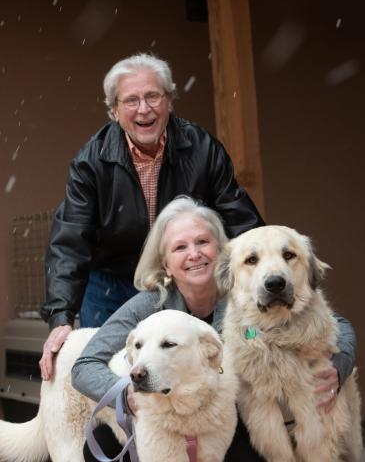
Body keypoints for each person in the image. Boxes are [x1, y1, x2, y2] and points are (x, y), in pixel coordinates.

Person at [71, 196, 356, 462]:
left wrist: (339, 364)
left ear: (220, 251)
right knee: (103, 447)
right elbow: (84, 365)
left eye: (202, 243)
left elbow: (334, 322)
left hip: (227, 427)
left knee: (249, 443)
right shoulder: (147, 307)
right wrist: (125, 391)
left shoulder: (242, 289)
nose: (194, 254)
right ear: (166, 263)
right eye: (180, 247)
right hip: (167, 429)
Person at [39, 52, 264, 382]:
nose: (144, 109)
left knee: (192, 374)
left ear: (169, 102)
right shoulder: (91, 162)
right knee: (108, 372)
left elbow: (241, 222)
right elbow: (70, 240)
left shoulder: (201, 148)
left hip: (181, 280)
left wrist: (266, 278)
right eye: (131, 100)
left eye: (153, 96)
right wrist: (60, 316)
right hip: (111, 283)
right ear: (114, 111)